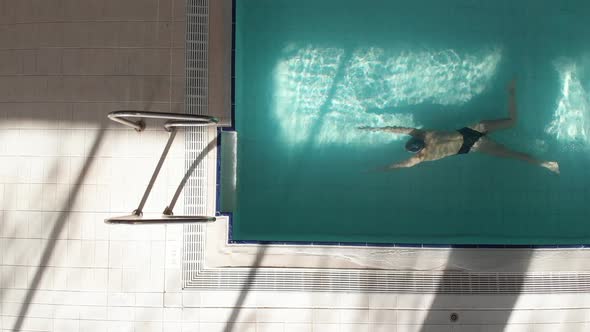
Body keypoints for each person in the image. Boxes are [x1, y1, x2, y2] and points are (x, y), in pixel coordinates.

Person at [358, 80, 560, 174]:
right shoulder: (423, 133)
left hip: (471, 147)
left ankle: (548, 164)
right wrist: (375, 129)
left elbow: (403, 164)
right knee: (512, 122)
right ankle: (512, 91)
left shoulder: (422, 157)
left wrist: (381, 168)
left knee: (512, 154)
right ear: (416, 141)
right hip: (471, 130)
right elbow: (398, 128)